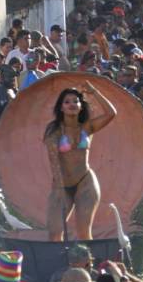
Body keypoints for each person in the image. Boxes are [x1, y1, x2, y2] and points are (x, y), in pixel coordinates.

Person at [44, 86, 117, 241]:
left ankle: (87, 264)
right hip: (62, 184)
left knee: (83, 231)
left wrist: (95, 92)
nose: (72, 104)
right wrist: (60, 189)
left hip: (85, 181)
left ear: (81, 106)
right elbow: (54, 160)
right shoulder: (54, 130)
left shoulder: (87, 127)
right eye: (67, 102)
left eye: (76, 101)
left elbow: (111, 113)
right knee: (55, 233)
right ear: (61, 108)